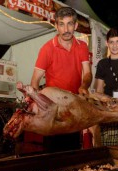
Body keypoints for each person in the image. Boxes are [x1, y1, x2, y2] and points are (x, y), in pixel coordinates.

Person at [30, 7, 92, 152]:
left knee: (72, 152)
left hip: (74, 107)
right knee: (52, 154)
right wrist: (40, 104)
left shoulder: (82, 46)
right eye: (62, 24)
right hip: (54, 109)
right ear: (56, 26)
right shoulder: (47, 49)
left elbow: (88, 73)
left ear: (76, 26)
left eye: (70, 24)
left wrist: (84, 86)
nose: (66, 29)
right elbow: (35, 80)